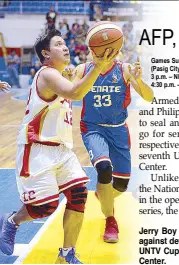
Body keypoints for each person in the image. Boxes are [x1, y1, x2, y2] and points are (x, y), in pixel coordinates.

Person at [0, 29, 118, 264]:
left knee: (78, 194)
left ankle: (66, 255)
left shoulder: (60, 75)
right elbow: (75, 92)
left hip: (62, 150)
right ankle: (11, 220)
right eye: (59, 44)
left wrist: (99, 62)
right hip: (37, 148)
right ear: (46, 53)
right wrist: (96, 65)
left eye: (65, 44)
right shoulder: (47, 75)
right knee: (45, 207)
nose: (65, 47)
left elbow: (76, 84)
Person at [71, 50, 154, 243]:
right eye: (98, 48)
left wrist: (139, 81)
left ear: (115, 50)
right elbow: (72, 92)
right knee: (104, 168)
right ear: (92, 50)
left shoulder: (125, 70)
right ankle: (110, 220)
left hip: (118, 130)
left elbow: (149, 97)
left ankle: (103, 194)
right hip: (93, 128)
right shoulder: (83, 69)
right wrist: (69, 76)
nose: (103, 52)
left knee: (120, 186)